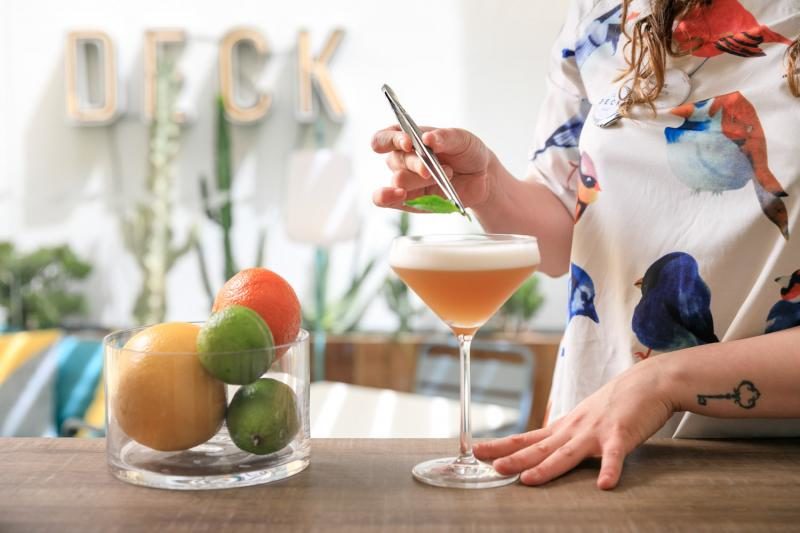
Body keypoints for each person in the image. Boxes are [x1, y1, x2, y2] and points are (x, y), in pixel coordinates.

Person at [371, 0, 800, 489]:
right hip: (587, 446)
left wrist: (661, 381)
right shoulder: (597, 15)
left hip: (767, 472)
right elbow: (565, 239)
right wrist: (488, 186)